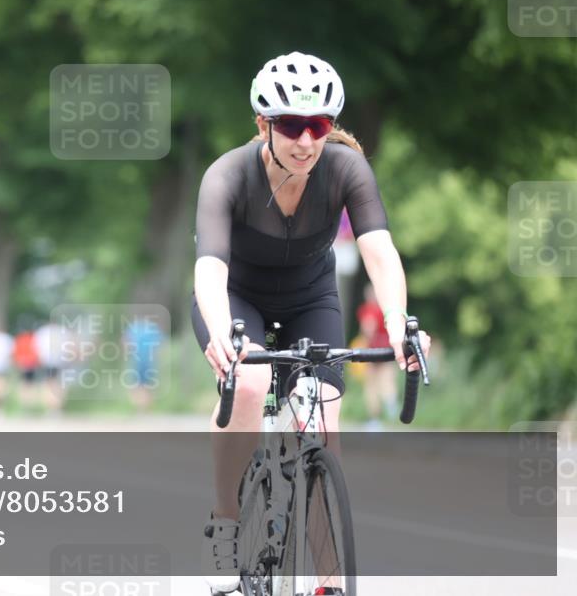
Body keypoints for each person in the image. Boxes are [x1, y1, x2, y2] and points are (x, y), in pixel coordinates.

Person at [191, 52, 431, 594]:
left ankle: (327, 582)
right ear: (264, 125)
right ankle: (227, 521)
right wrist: (224, 337)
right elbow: (209, 269)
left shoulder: (345, 169)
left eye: (318, 125)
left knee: (321, 418)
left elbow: (380, 250)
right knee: (250, 383)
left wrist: (397, 321)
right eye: (292, 126)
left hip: (309, 298)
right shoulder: (226, 175)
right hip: (235, 299)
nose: (306, 140)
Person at [356, 285, 399, 430]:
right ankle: (391, 408)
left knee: (371, 387)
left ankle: (375, 419)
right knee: (388, 382)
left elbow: (368, 328)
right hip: (387, 350)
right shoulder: (386, 309)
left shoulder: (368, 309)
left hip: (372, 351)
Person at [123, 317, 164, 412]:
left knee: (137, 385)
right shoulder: (153, 328)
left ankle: (141, 406)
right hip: (150, 361)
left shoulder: (133, 327)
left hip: (137, 360)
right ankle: (145, 407)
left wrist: (126, 355)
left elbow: (126, 342)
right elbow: (161, 344)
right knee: (147, 385)